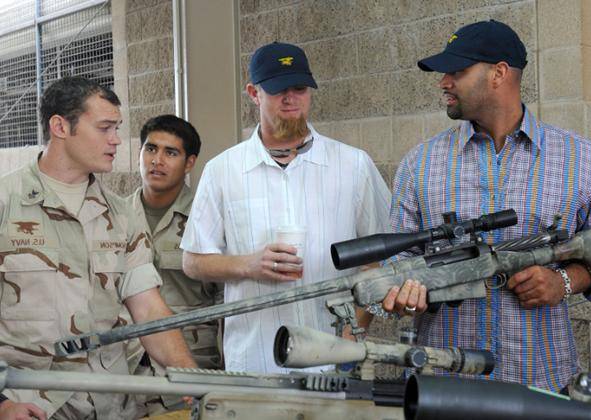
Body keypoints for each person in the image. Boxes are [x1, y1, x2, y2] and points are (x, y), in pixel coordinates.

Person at [381, 20, 591, 392]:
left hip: (540, 380)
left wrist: (563, 281)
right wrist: (406, 294)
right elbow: (395, 264)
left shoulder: (579, 158)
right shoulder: (420, 163)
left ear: (499, 73)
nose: (444, 82)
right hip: (444, 387)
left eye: (457, 71)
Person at [180, 42, 391, 373]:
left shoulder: (353, 165)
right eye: (279, 90)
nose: (291, 98)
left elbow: (379, 262)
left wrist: (352, 335)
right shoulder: (224, 170)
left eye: (300, 88)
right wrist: (248, 265)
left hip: (334, 358)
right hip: (255, 361)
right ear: (254, 93)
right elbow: (193, 262)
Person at [0, 77, 196, 420]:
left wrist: (192, 380)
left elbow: (149, 311)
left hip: (113, 404)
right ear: (60, 126)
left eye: (117, 128)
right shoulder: (6, 204)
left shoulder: (120, 215)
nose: (116, 140)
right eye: (105, 128)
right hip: (34, 405)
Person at [125, 115, 223, 414]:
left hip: (188, 364)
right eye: (151, 149)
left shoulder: (207, 218)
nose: (157, 160)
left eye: (171, 153)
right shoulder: (114, 217)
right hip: (125, 367)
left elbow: (227, 298)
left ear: (189, 162)